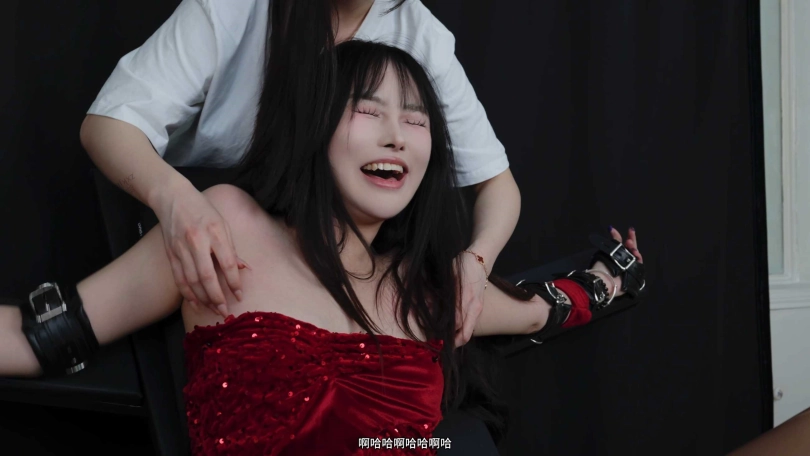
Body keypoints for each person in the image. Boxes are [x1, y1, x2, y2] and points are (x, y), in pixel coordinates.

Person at [3, 41, 646, 455]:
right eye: (369, 111)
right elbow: (41, 337)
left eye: (416, 119)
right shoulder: (224, 227)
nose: (397, 135)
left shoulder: (426, 289)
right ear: (313, 127)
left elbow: (542, 309)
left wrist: (612, 276)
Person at [80, 0, 523, 347]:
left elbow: (497, 184)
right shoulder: (233, 8)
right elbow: (109, 124)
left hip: (326, 256)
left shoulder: (420, 34)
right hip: (196, 221)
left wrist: (476, 262)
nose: (395, 134)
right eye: (369, 109)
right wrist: (177, 200)